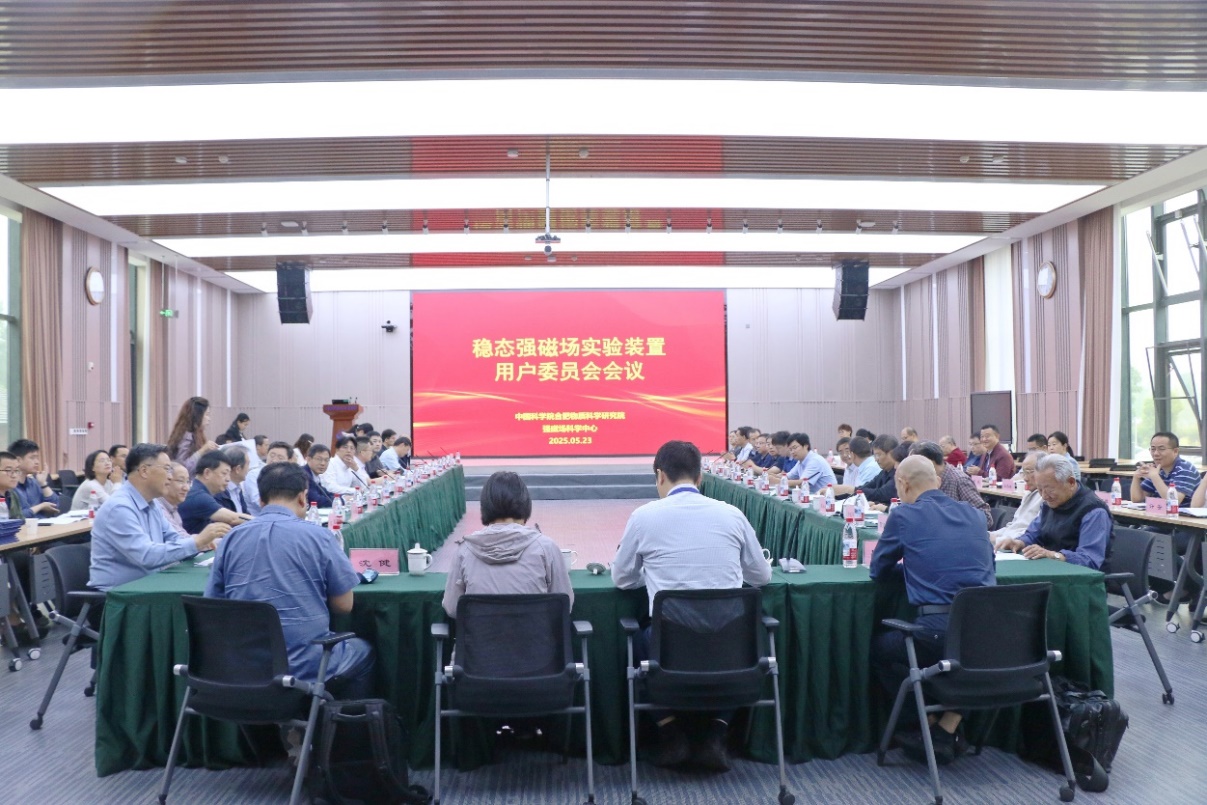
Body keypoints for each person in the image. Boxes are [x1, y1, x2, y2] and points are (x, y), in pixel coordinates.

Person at [612, 440, 771, 772]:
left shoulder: (643, 517)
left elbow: (622, 579)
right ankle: (717, 732)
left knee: (637, 642)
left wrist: (651, 574)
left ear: (660, 476)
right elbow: (761, 575)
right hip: (728, 644)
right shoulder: (732, 514)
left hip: (669, 646)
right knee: (741, 643)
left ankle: (670, 732)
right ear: (700, 478)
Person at [205, 462, 375, 699]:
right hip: (306, 665)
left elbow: (213, 603)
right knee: (363, 651)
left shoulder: (231, 539)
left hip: (241, 665)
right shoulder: (320, 537)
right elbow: (344, 606)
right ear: (303, 498)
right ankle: (339, 719)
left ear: (261, 500)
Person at [869, 455, 995, 765]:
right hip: (987, 631)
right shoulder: (974, 514)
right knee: (973, 658)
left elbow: (878, 570)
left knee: (880, 651)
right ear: (937, 482)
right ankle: (947, 728)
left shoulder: (904, 515)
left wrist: (913, 570)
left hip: (937, 629)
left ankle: (926, 725)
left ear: (902, 484)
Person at [88, 443, 226, 591]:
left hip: (146, 587)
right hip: (115, 595)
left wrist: (203, 542)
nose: (170, 477)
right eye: (167, 469)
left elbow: (174, 539)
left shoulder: (153, 503)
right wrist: (196, 542)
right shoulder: (119, 508)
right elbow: (146, 556)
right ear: (144, 471)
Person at [442, 472, 573, 617]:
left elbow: (452, 608)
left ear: (485, 506)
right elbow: (564, 604)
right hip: (534, 632)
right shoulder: (546, 548)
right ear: (525, 505)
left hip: (482, 632)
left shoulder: (464, 550)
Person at [997, 454, 1110, 568]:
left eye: (1050, 489)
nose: (1044, 496)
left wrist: (1054, 555)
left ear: (1071, 482)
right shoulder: (1050, 503)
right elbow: (1034, 533)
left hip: (1080, 575)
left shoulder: (1094, 511)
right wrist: (1019, 542)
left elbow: (1089, 560)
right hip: (1051, 569)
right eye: (1040, 489)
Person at [910, 441, 993, 529]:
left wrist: (953, 522)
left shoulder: (959, 480)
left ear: (930, 462)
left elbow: (986, 518)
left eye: (914, 465)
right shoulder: (923, 480)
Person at [178, 451, 252, 535]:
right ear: (207, 473)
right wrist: (259, 521)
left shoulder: (199, 491)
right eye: (224, 473)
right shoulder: (198, 496)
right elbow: (233, 518)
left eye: (229, 474)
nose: (228, 479)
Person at [1130, 431, 1200, 504]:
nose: (1156, 453)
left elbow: (1174, 501)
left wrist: (1155, 477)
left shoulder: (1185, 470)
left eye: (1161, 449)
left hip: (1181, 511)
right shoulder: (1157, 469)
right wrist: (1136, 477)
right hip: (1160, 511)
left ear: (1175, 451)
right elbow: (1137, 499)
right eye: (1153, 449)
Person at [990, 452, 1046, 543]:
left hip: (1020, 543)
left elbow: (1031, 534)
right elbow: (1013, 526)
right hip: (1010, 540)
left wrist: (998, 539)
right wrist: (991, 535)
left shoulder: (1046, 498)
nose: (1025, 478)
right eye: (1023, 473)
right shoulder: (1028, 494)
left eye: (1029, 472)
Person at [769, 432, 837, 493]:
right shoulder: (800, 461)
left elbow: (802, 483)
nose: (792, 452)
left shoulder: (815, 461)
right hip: (812, 496)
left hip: (828, 498)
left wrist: (778, 481)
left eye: (795, 448)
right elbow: (788, 476)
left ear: (805, 446)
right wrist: (770, 476)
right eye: (790, 449)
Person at [8, 439, 60, 518]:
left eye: (37, 458)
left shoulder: (34, 483)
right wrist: (41, 506)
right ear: (18, 460)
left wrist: (43, 484)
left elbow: (55, 506)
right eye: (32, 458)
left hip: (42, 524)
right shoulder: (8, 487)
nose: (37, 462)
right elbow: (15, 517)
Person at [166, 396, 218, 475]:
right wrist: (203, 450)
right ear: (198, 415)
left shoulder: (198, 434)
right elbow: (183, 468)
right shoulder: (186, 436)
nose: (209, 418)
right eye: (207, 414)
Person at [861, 435, 902, 506]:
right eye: (874, 455)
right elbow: (868, 486)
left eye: (878, 455)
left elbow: (882, 494)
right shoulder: (884, 472)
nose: (876, 459)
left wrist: (851, 490)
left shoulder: (899, 472)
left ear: (891, 453)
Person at [156, 462, 194, 537]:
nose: (186, 488)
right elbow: (179, 538)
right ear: (166, 480)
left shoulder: (173, 508)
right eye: (180, 481)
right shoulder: (157, 507)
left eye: (188, 482)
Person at [215, 446, 252, 515]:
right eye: (248, 464)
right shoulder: (218, 492)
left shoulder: (238, 488)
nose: (249, 469)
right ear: (238, 469)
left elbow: (244, 513)